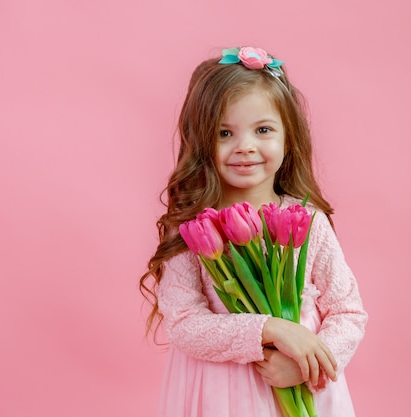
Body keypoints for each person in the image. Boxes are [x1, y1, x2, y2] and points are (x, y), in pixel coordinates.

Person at [140, 46, 368, 417]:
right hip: (221, 397)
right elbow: (184, 324)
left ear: (287, 138)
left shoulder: (306, 220)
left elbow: (348, 312)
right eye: (224, 133)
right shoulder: (191, 229)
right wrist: (271, 329)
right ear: (201, 141)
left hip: (303, 388)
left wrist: (307, 366)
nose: (245, 147)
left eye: (262, 130)